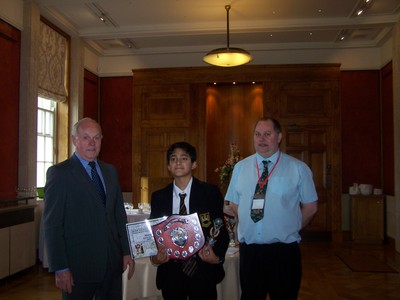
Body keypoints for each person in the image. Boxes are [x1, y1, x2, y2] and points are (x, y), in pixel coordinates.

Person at [225, 117, 318, 300]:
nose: (262, 139)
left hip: (283, 252)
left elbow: (311, 207)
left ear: (279, 137)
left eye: (267, 134)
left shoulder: (298, 168)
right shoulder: (240, 168)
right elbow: (234, 204)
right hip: (250, 252)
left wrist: (290, 227)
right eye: (258, 134)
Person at [43, 117, 135, 300]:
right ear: (74, 140)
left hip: (111, 264)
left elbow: (119, 215)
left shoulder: (110, 171)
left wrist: (126, 251)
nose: (92, 143)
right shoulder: (60, 173)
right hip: (79, 267)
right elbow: (52, 225)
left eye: (97, 137)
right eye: (86, 138)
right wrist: (61, 267)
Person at [150, 141, 229, 300]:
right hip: (171, 272)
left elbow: (220, 228)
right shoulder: (159, 197)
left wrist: (217, 256)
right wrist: (154, 257)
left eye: (184, 158)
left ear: (194, 164)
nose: (178, 162)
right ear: (168, 166)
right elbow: (153, 234)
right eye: (173, 159)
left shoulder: (209, 192)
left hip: (202, 269)